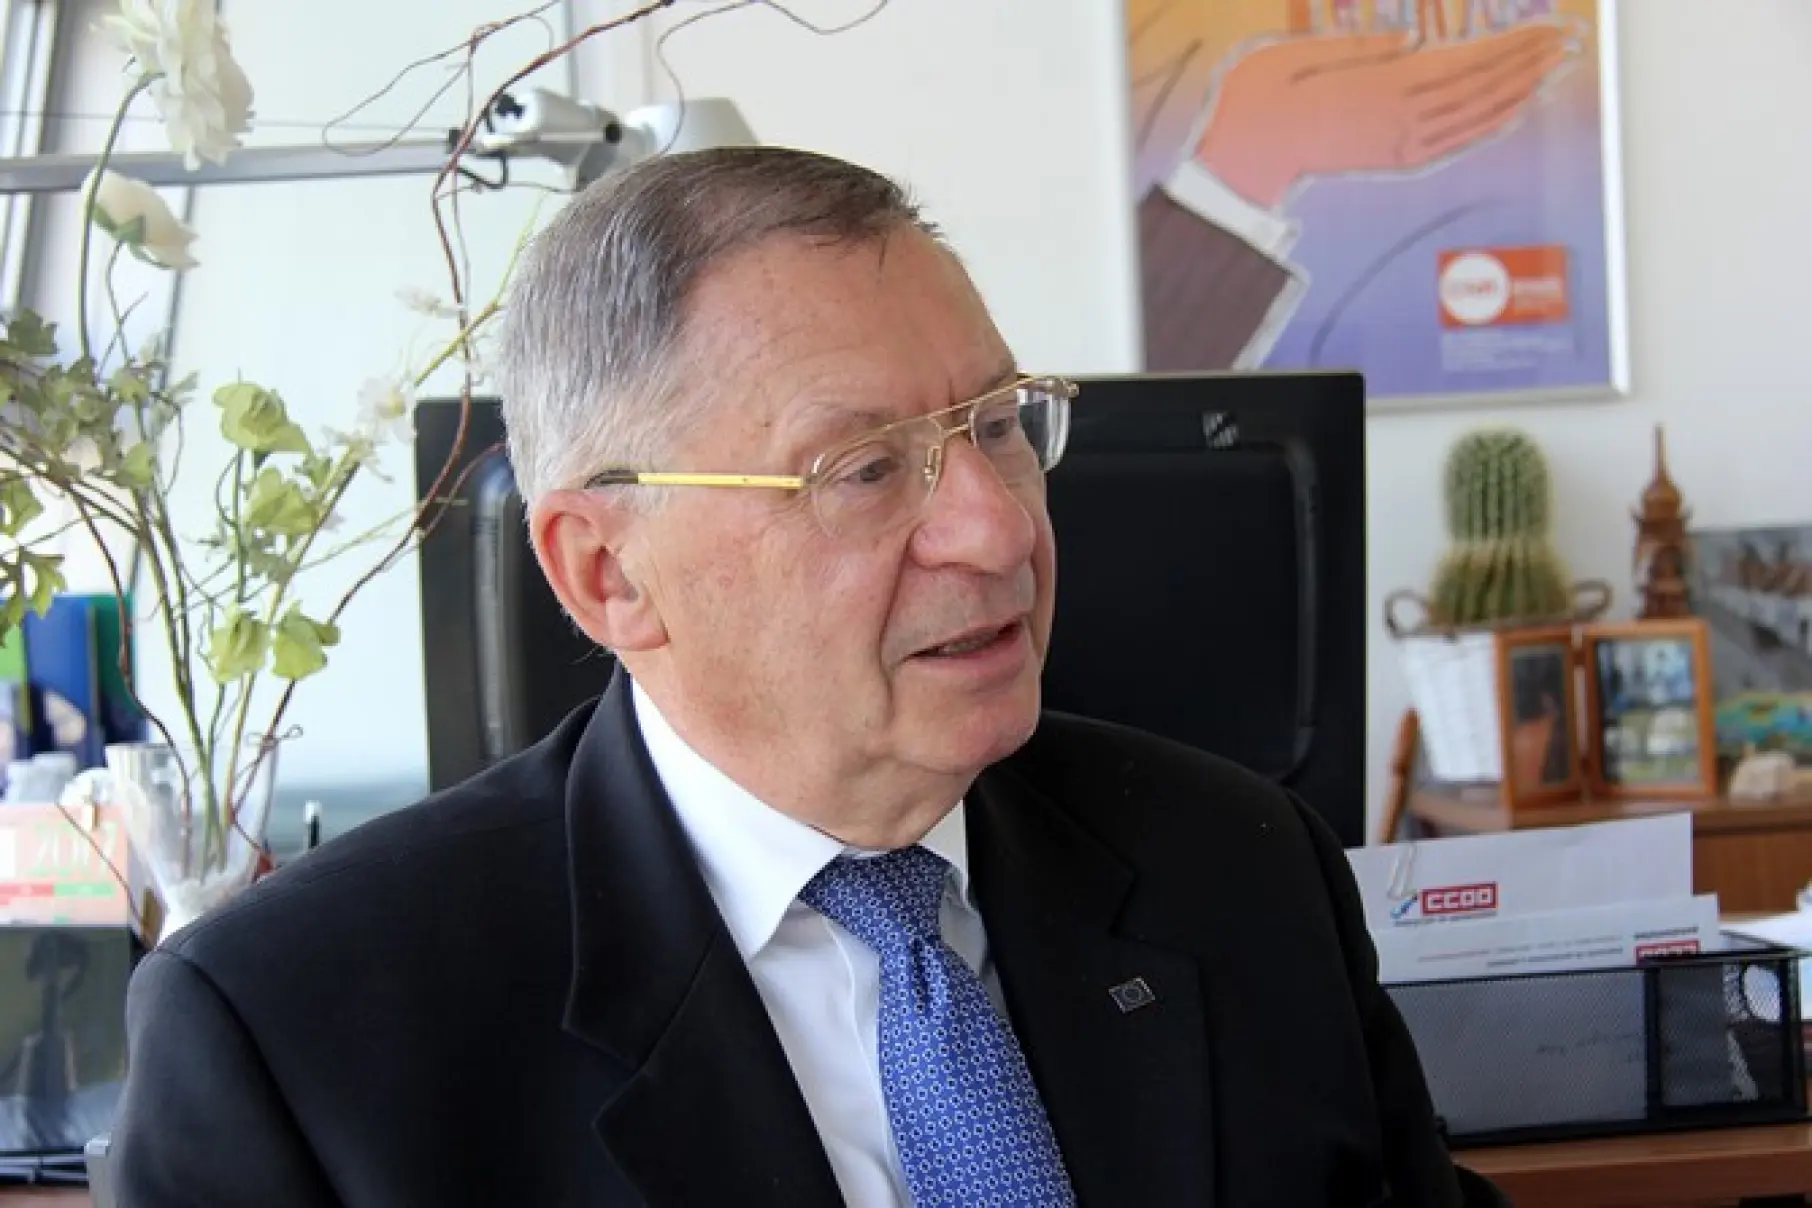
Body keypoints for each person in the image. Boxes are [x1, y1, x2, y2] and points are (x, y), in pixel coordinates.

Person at [110, 146, 1505, 1207]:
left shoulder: (1240, 865)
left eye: (998, 425)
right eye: (864, 469)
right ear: (607, 573)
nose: (998, 529)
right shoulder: (296, 1038)